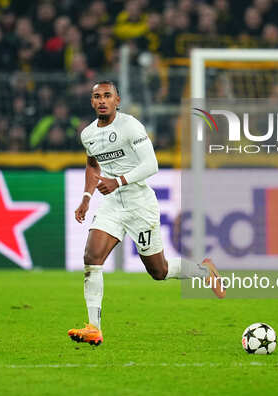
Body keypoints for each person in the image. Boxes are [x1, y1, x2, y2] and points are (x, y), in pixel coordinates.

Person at [67, 81, 225, 345]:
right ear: (92, 102)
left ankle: (204, 271)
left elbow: (151, 164)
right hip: (112, 203)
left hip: (140, 202)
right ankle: (94, 327)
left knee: (159, 271)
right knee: (91, 257)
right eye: (97, 97)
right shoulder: (88, 134)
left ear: (117, 100)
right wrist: (86, 198)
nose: (102, 100)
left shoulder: (130, 126)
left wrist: (117, 181)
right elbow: (93, 167)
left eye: (107, 95)